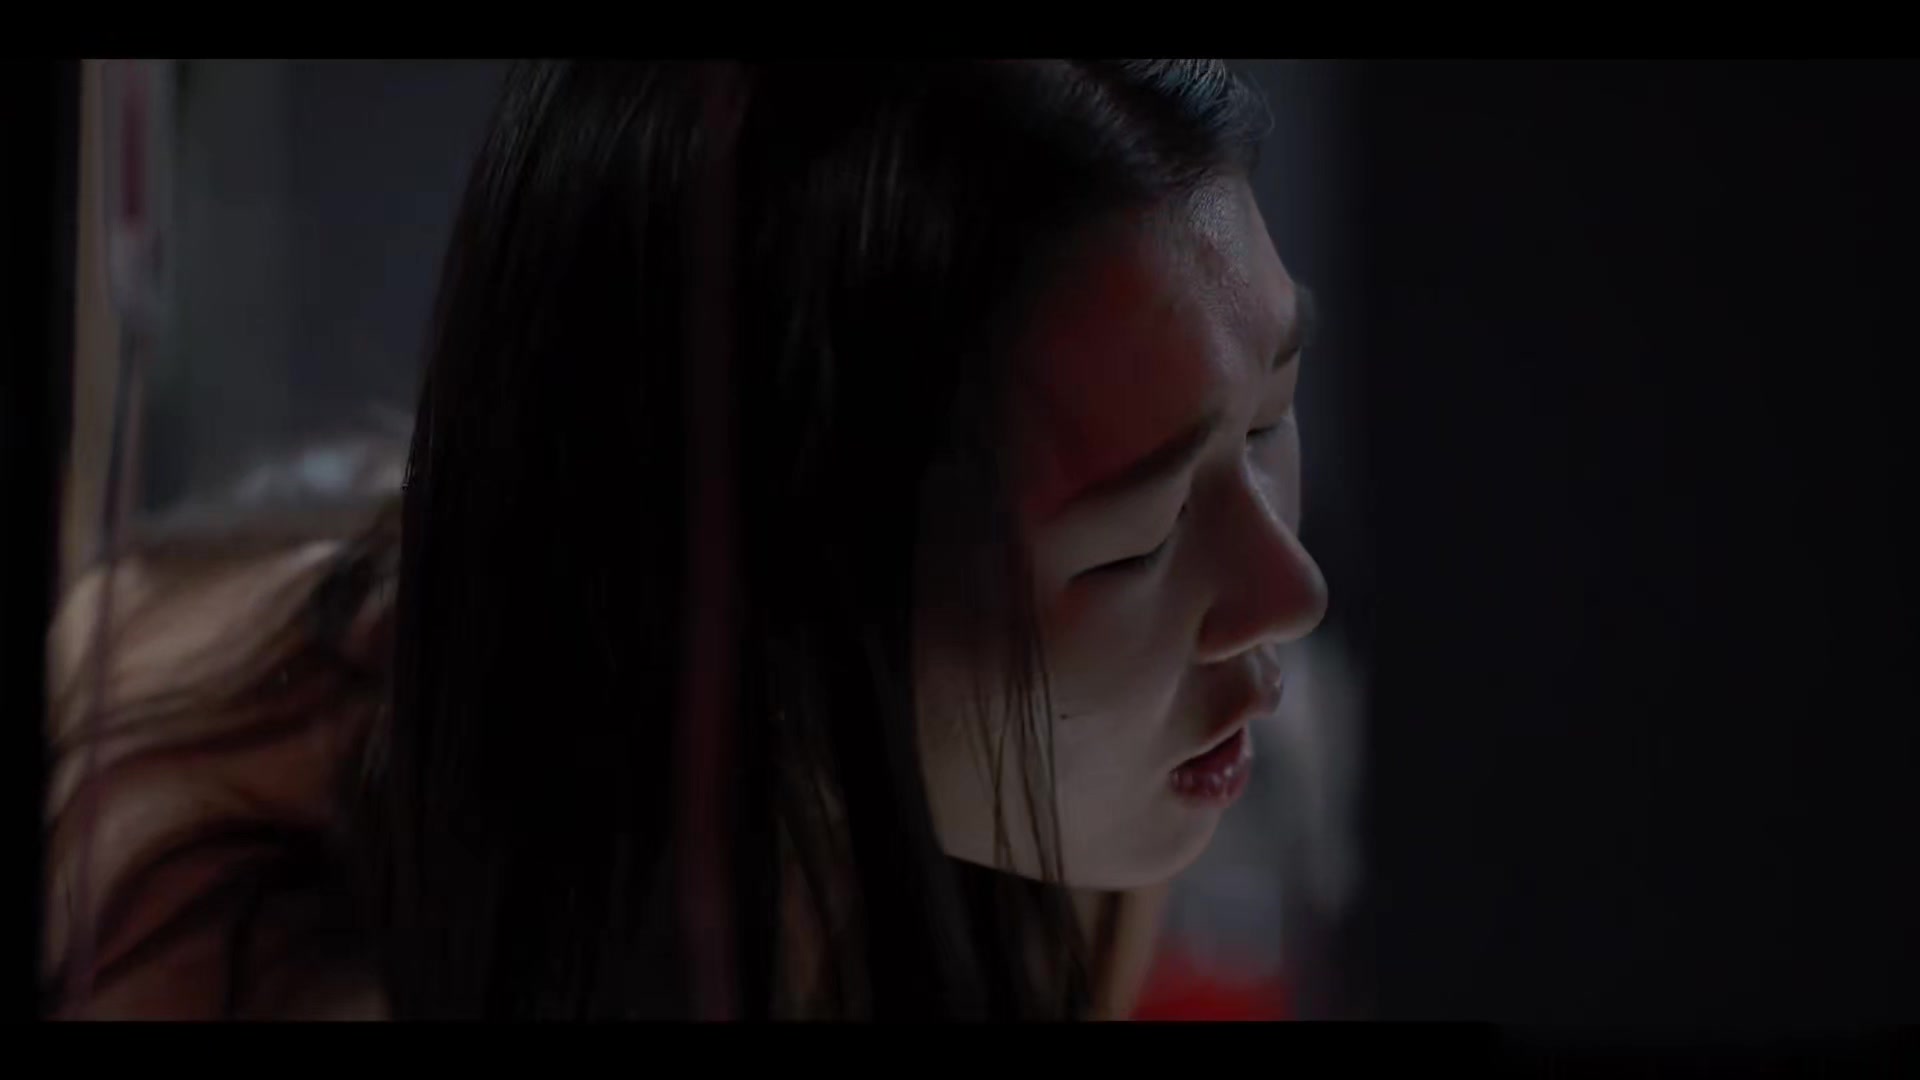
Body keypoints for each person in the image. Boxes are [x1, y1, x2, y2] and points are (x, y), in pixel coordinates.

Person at [43, 59, 1327, 1020]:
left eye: (1267, 418)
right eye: (1132, 545)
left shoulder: (1057, 830)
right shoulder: (205, 905)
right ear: (772, 599)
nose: (1291, 591)